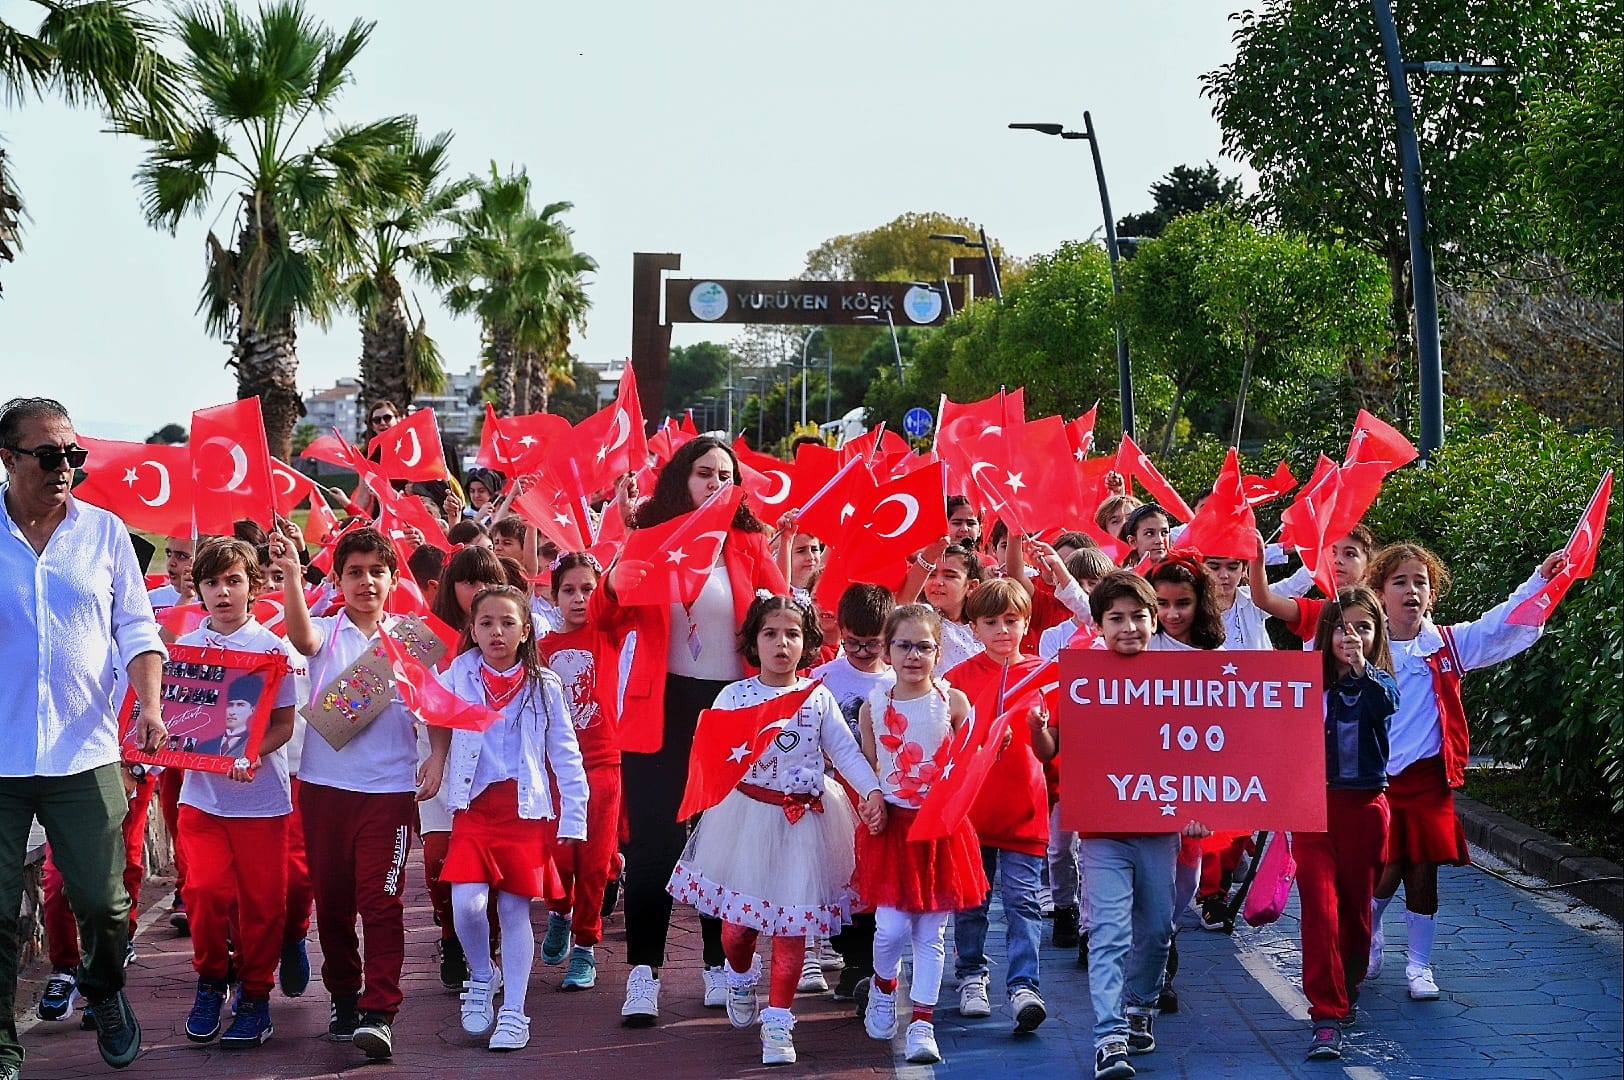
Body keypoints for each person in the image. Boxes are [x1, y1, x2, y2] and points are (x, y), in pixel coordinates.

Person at [0, 396, 167, 1073]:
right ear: (8, 459)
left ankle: (104, 990)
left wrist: (150, 706)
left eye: (73, 455)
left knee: (103, 903)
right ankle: (4, 1047)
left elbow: (138, 628)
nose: (64, 467)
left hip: (85, 751)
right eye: (48, 455)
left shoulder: (103, 533)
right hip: (1, 759)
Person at [597, 436, 788, 1026]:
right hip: (661, 710)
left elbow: (781, 617)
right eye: (704, 473)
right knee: (654, 848)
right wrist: (614, 578)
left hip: (730, 710)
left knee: (720, 842)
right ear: (682, 478)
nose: (714, 483)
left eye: (725, 476)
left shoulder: (748, 542)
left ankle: (720, 967)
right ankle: (642, 976)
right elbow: (607, 619)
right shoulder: (651, 539)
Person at [668, 594, 883, 1066]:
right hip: (747, 820)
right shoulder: (733, 696)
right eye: (770, 633)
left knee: (792, 929)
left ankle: (779, 1025)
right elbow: (710, 756)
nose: (781, 643)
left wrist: (869, 792)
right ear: (754, 641)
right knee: (737, 932)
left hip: (806, 823)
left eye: (792, 634)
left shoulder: (817, 695)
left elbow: (845, 752)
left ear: (806, 643)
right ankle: (740, 976)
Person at [275, 523, 449, 1061]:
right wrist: (289, 575)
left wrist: (437, 757)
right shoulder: (324, 634)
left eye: (377, 572)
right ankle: (344, 995)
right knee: (333, 905)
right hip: (325, 792)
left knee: (381, 902)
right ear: (339, 580)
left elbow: (437, 707)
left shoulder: (413, 639)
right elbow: (300, 639)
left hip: (390, 795)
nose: (366, 582)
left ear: (393, 579)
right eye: (354, 573)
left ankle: (380, 1010)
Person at [1034, 570, 1211, 1080]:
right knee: (1109, 933)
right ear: (1099, 623)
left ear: (1155, 620)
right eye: (1116, 618)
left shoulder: (1185, 675)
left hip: (1159, 830)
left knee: (1157, 931)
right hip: (1102, 830)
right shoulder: (1081, 676)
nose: (1128, 627)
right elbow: (1052, 749)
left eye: (1138, 616)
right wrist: (1041, 732)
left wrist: (1201, 807)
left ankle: (1140, 1005)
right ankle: (1108, 1036)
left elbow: (1208, 748)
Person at [1365, 542, 1561, 1000]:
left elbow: (1502, 623)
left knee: (1423, 870)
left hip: (1428, 781)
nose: (1411, 590)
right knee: (1385, 869)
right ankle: (1368, 934)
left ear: (1431, 595)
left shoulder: (1447, 645)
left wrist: (1540, 579)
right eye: (1400, 582)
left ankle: (1419, 964)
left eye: (1421, 582)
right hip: (1377, 781)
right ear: (1379, 591)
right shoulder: (1364, 647)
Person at [440, 585, 588, 1052]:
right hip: (474, 808)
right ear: (473, 630)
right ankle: (483, 975)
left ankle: (515, 1012)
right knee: (465, 906)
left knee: (513, 909)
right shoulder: (457, 675)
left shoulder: (544, 685)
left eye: (507, 623)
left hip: (525, 811)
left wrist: (574, 818)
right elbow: (426, 710)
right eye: (486, 623)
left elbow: (566, 755)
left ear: (526, 631)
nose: (496, 632)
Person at [173, 538, 298, 1049]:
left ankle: (255, 996)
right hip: (201, 799)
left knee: (263, 905)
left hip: (262, 802)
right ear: (199, 589)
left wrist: (251, 753)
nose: (222, 593)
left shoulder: (273, 650)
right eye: (211, 583)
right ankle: (210, 980)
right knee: (204, 894)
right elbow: (165, 713)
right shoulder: (182, 646)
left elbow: (285, 723)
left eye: (233, 581)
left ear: (253, 586)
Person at [854, 603, 989, 1066]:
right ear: (887, 651)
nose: (914, 655)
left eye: (924, 646)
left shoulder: (953, 702)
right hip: (895, 828)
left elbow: (969, 764)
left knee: (930, 935)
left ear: (938, 651)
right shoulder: (875, 705)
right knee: (890, 928)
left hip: (941, 832)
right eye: (903, 645)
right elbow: (872, 767)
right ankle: (883, 985)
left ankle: (923, 1024)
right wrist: (870, 803)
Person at [941, 579, 1051, 1035]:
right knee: (972, 901)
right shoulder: (957, 679)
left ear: (1026, 621)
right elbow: (948, 747)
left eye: (1012, 620)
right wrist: (981, 741)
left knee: (1025, 901)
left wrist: (1038, 728)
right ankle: (971, 974)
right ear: (975, 626)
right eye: (991, 622)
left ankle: (1025, 985)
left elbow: (1048, 752)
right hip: (974, 812)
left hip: (1026, 808)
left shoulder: (1046, 673)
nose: (1003, 630)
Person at [1298, 585, 1399, 1060]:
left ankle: (1350, 979)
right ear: (1325, 632)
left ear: (1377, 634)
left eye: (1363, 626)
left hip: (1364, 809)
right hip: (1312, 811)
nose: (1350, 635)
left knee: (1355, 911)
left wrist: (1360, 669)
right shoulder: (1301, 684)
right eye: (1341, 626)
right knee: (1319, 910)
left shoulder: (1379, 683)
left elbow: (1385, 704)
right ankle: (1325, 1013)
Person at [537, 552, 631, 992]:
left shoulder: (606, 634)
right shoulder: (539, 649)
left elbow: (624, 589)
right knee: (557, 857)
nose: (578, 599)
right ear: (553, 596)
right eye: (569, 590)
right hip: (557, 771)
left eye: (587, 589)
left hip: (604, 763)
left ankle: (585, 946)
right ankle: (559, 910)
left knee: (594, 861)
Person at [810, 583, 896, 1000]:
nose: (861, 653)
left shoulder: (901, 677)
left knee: (879, 880)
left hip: (887, 797)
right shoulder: (822, 678)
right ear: (839, 631)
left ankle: (877, 964)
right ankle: (855, 961)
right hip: (838, 797)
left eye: (872, 645)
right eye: (852, 644)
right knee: (847, 879)